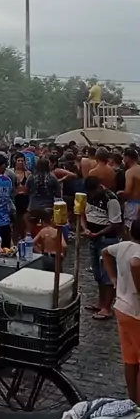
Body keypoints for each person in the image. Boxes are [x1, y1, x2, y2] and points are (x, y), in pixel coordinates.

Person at [102, 218, 140, 402]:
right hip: (136, 312)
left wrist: (114, 279)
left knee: (130, 359)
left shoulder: (123, 246)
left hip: (122, 308)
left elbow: (105, 252)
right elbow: (135, 264)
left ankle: (133, 401)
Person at [82, 175, 122, 320]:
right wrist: (85, 228)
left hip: (107, 240)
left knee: (108, 273)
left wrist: (98, 233)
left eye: (93, 192)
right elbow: (82, 214)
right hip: (93, 238)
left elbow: (115, 224)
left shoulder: (111, 200)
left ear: (100, 187)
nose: (92, 195)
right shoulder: (89, 197)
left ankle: (107, 307)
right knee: (98, 273)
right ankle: (100, 302)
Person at [25, 158, 61, 233]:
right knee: (48, 225)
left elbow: (26, 192)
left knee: (28, 220)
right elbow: (58, 193)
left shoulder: (31, 177)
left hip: (33, 207)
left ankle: (30, 235)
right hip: (48, 208)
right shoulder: (52, 177)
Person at [33, 208, 66, 272]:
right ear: (52, 220)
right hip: (55, 258)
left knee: (46, 275)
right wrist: (63, 255)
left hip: (45, 257)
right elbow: (64, 246)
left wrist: (39, 252)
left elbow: (33, 243)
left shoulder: (42, 231)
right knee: (58, 274)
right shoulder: (57, 232)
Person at [121, 148, 140, 232]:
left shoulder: (130, 172)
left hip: (133, 205)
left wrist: (121, 194)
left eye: (123, 157)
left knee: (130, 230)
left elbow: (128, 191)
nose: (123, 160)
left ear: (127, 158)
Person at [12, 154, 30, 239]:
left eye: (22, 161)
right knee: (15, 223)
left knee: (25, 222)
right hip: (15, 200)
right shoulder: (12, 173)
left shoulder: (28, 173)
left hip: (25, 201)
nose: (20, 162)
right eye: (18, 160)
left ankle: (25, 239)